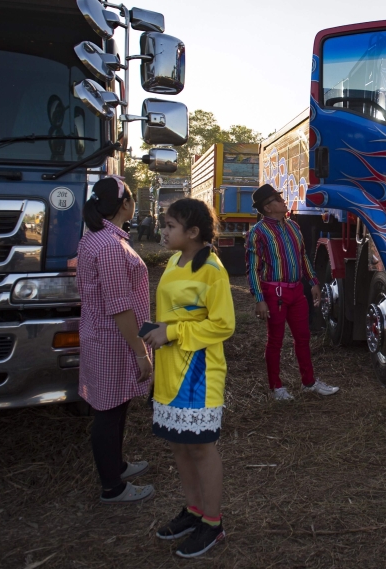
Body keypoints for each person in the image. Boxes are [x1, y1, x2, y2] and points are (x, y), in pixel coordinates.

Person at [143, 198, 234, 558]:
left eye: (170, 226)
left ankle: (213, 523)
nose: (163, 231)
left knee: (200, 446)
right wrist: (159, 333)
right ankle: (194, 510)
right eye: (164, 225)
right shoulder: (171, 263)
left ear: (192, 232)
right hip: (169, 369)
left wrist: (174, 333)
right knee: (180, 445)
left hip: (198, 373)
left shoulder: (211, 269)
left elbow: (224, 324)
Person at [76, 175, 154, 504]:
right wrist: (141, 352)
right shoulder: (108, 246)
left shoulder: (98, 238)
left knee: (116, 405)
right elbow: (119, 306)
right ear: (125, 204)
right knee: (108, 411)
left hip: (105, 336)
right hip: (114, 339)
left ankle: (117, 466)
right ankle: (113, 486)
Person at [246, 184, 340, 401]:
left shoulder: (293, 227)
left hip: (297, 291)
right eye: (278, 199)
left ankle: (309, 383)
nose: (283, 201)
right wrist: (259, 299)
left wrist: (313, 282)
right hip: (274, 292)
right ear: (268, 208)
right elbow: (253, 268)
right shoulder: (257, 233)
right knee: (275, 340)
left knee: (303, 337)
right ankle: (276, 387)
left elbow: (303, 256)